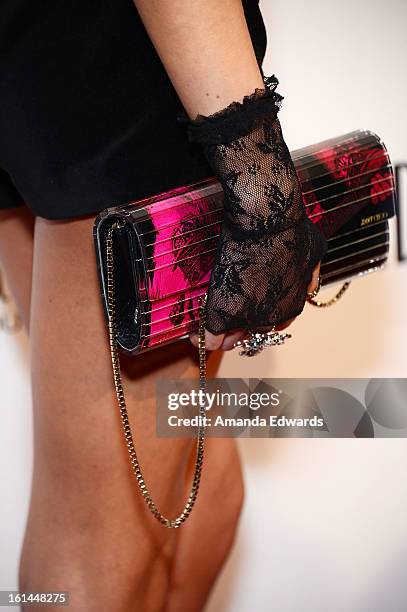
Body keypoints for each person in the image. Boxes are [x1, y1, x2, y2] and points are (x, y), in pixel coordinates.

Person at [0, 1, 323, 610]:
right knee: (97, 534)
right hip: (128, 52)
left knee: (179, 471)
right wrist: (255, 173)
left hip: (33, 49)